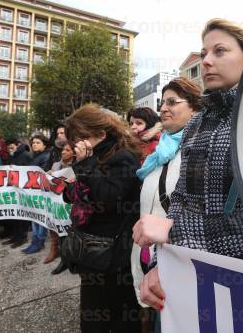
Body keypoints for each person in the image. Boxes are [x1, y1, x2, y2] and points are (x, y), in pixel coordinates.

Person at [133, 19, 243, 311]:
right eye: (203, 53)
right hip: (194, 278)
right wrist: (159, 262)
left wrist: (175, 232)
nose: (206, 61)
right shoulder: (196, 122)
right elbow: (180, 199)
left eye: (219, 51)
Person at [130, 78, 202, 330]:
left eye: (172, 102)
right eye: (162, 103)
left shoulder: (200, 150)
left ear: (194, 108)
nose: (163, 108)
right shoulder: (159, 152)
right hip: (147, 259)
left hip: (180, 265)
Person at [64, 103, 142, 332]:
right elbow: (84, 192)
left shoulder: (123, 157)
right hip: (93, 251)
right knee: (93, 313)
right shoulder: (94, 156)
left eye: (81, 137)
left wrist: (85, 166)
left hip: (113, 253)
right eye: (73, 139)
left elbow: (107, 198)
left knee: (120, 315)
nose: (76, 144)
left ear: (100, 134)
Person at [45, 142, 75, 269]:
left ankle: (71, 258)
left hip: (69, 202)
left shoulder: (77, 165)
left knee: (69, 231)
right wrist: (48, 175)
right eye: (63, 149)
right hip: (55, 202)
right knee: (55, 227)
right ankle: (59, 255)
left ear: (74, 153)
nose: (63, 152)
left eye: (68, 150)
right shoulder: (56, 164)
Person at [22, 133, 51, 255]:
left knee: (40, 217)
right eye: (33, 143)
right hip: (33, 191)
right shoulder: (35, 156)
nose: (34, 144)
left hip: (41, 191)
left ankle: (39, 241)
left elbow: (41, 173)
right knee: (34, 216)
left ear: (44, 145)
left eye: (38, 142)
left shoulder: (46, 156)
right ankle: (35, 241)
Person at [3, 138, 33, 249]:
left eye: (12, 147)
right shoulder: (11, 156)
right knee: (14, 215)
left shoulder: (26, 155)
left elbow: (31, 171)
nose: (10, 149)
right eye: (8, 148)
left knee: (22, 215)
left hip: (23, 189)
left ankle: (22, 237)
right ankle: (15, 236)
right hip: (13, 189)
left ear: (18, 145)